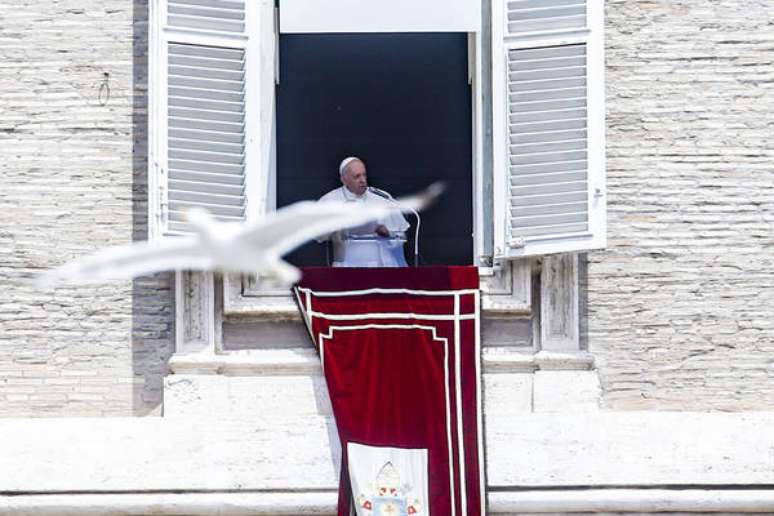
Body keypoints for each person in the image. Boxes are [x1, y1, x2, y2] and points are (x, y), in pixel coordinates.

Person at [318, 157, 409, 267]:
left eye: (364, 175)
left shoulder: (382, 197)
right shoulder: (330, 200)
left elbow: (401, 236)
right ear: (344, 179)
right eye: (357, 176)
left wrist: (387, 234)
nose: (363, 180)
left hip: (382, 266)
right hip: (348, 268)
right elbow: (317, 234)